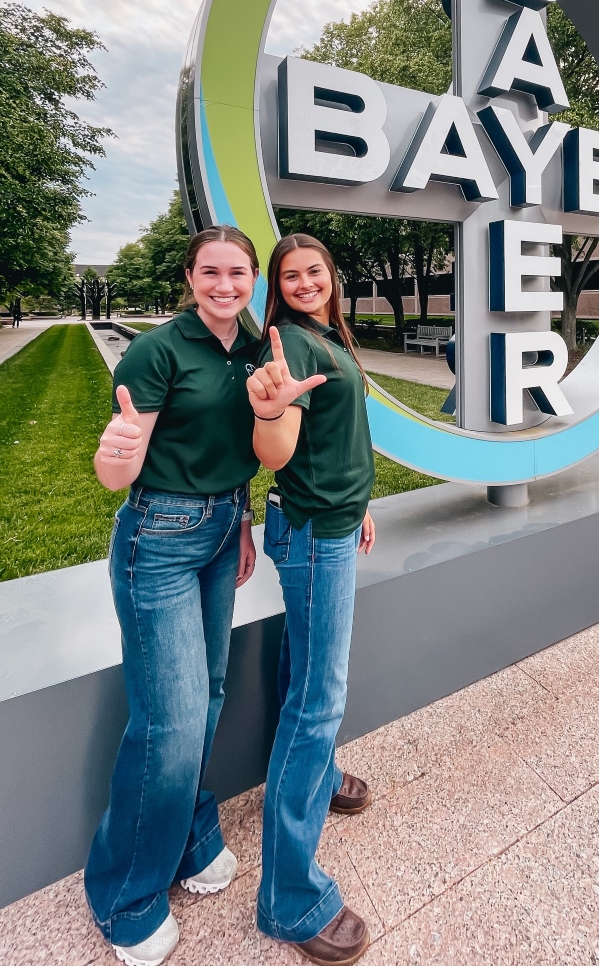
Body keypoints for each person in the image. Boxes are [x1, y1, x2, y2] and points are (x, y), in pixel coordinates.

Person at [84, 226, 267, 966]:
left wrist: (245, 519)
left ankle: (192, 836)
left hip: (223, 528)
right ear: (190, 276)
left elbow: (247, 443)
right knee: (170, 718)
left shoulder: (253, 349)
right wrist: (113, 456)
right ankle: (124, 891)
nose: (225, 285)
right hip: (159, 538)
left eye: (237, 273)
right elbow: (118, 469)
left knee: (210, 696)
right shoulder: (157, 351)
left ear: (252, 278)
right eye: (211, 273)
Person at [247, 233, 377, 966]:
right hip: (312, 536)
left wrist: (358, 499)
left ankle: (321, 777)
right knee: (318, 699)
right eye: (290, 274)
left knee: (305, 675)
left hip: (329, 520)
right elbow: (280, 445)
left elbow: (338, 435)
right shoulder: (290, 346)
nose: (303, 281)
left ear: (331, 275)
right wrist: (272, 413)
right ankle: (290, 898)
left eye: (314, 270)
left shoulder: (329, 334)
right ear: (279, 285)